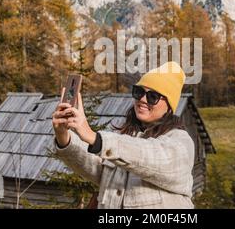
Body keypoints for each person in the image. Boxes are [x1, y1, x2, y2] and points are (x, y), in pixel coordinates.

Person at [52, 61, 195, 209]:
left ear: (169, 106)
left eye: (153, 96)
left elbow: (149, 155)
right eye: (139, 92)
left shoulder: (181, 142)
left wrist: (93, 136)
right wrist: (63, 136)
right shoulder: (126, 138)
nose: (142, 100)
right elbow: (97, 167)